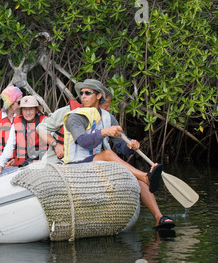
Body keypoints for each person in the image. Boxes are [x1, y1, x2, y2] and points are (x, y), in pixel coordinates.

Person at [63, 79, 175, 229]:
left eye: (87, 93)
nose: (83, 96)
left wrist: (131, 145)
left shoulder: (108, 117)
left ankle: (159, 218)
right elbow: (83, 142)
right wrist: (104, 132)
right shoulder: (75, 117)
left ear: (98, 96)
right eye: (81, 93)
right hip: (76, 164)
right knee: (109, 154)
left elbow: (121, 146)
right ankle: (145, 176)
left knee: (138, 178)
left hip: (98, 163)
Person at [0, 96, 48, 173]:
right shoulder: (16, 122)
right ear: (21, 111)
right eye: (25, 109)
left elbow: (52, 147)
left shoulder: (45, 121)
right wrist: (0, 165)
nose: (28, 112)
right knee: (2, 172)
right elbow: (9, 146)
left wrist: (43, 161)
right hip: (21, 166)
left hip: (41, 164)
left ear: (36, 110)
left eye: (31, 109)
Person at [0, 85, 22, 168]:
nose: (22, 105)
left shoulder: (22, 118)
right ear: (11, 103)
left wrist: (16, 159)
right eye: (19, 102)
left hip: (16, 161)